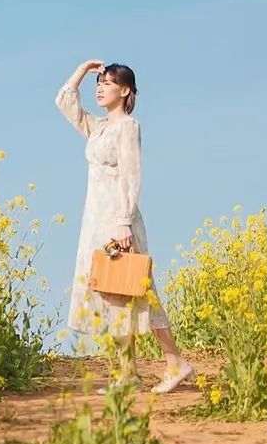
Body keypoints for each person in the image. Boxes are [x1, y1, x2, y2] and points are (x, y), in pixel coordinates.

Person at [55, 59, 196, 394]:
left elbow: (132, 175)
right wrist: (82, 70)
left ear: (126, 90)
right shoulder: (98, 127)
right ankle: (130, 374)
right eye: (99, 83)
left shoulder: (127, 127)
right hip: (96, 220)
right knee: (114, 296)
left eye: (108, 82)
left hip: (119, 221)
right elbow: (64, 101)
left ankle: (173, 364)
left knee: (135, 293)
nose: (100, 87)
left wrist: (123, 221)